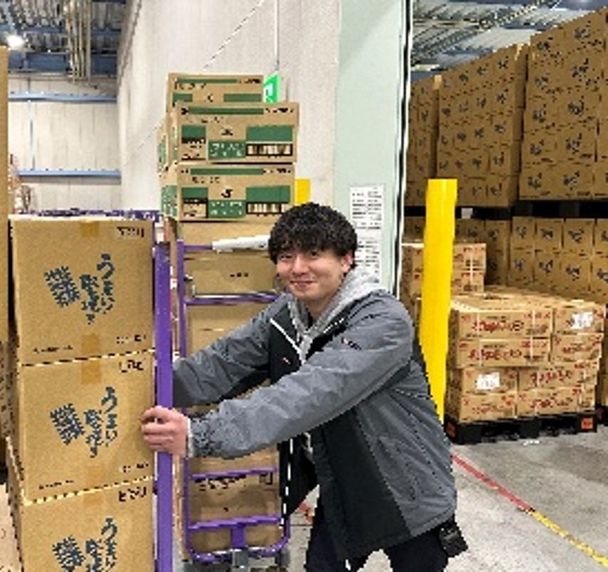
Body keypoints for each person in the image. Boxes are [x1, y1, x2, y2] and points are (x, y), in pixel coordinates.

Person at [141, 202, 465, 571]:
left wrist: (199, 435)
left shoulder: (382, 322)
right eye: (286, 257)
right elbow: (222, 363)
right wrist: (142, 384)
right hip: (342, 479)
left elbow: (307, 395)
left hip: (408, 487)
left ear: (346, 259)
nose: (297, 268)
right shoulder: (287, 315)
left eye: (313, 254)